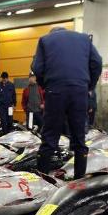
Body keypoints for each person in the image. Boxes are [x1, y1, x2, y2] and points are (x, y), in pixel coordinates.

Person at [31, 26, 102, 177]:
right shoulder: (85, 39)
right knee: (79, 138)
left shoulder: (45, 40)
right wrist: (89, 86)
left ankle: (42, 179)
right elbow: (97, 63)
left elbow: (37, 67)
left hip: (55, 90)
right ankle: (79, 181)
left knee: (49, 137)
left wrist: (46, 85)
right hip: (79, 91)